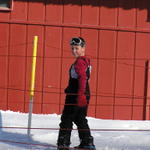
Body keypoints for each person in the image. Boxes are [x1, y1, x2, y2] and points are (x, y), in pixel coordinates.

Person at [57, 37, 96, 150]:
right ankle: (87, 142)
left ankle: (63, 144)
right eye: (72, 48)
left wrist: (80, 94)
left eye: (77, 48)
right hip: (83, 92)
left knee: (67, 118)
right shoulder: (86, 61)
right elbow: (86, 79)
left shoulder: (79, 62)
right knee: (80, 118)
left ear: (83, 48)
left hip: (77, 95)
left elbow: (83, 78)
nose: (74, 51)